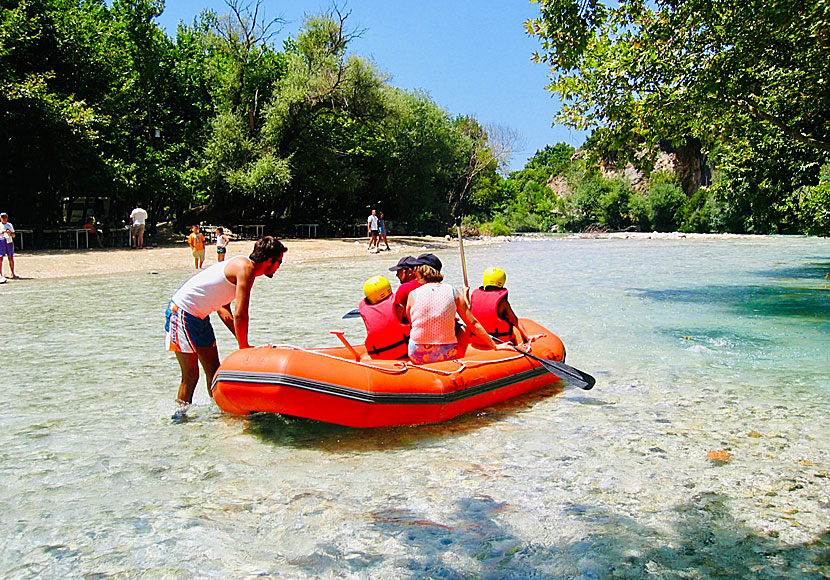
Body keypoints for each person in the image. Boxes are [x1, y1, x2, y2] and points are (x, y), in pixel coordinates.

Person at [165, 236, 287, 420]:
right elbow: (241, 314)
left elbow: (223, 308)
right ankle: (178, 420)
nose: (278, 268)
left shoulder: (243, 267)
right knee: (191, 376)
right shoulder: (246, 269)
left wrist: (242, 343)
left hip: (200, 317)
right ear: (270, 261)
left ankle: (218, 414)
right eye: (279, 262)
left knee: (214, 372)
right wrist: (244, 348)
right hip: (182, 312)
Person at [405, 253, 496, 364]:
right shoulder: (452, 291)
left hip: (417, 354)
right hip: (447, 353)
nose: (414, 272)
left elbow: (413, 321)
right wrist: (494, 346)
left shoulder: (413, 294)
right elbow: (472, 322)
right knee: (463, 329)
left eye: (416, 269)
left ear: (422, 271)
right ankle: (457, 362)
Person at [469, 267, 528, 346]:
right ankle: (515, 348)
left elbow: (469, 311)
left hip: (478, 338)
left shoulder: (475, 296)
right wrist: (527, 336)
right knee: (511, 330)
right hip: (499, 340)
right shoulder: (503, 302)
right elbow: (515, 321)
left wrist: (465, 294)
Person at [357, 275, 411, 360]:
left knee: (363, 357)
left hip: (378, 354)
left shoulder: (365, 310)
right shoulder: (398, 308)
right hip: (404, 350)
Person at [388, 255, 422, 322]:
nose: (397, 275)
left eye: (399, 271)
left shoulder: (404, 288)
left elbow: (398, 317)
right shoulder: (428, 285)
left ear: (409, 272)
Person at [0, 212, 18, 279]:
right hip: (1, 242)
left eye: (5, 217)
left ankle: (12, 273)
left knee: (10, 257)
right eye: (2, 217)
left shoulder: (9, 225)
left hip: (9, 242)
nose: (4, 219)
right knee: (0, 258)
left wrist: (10, 232)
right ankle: (0, 274)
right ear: (0, 218)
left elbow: (14, 235)